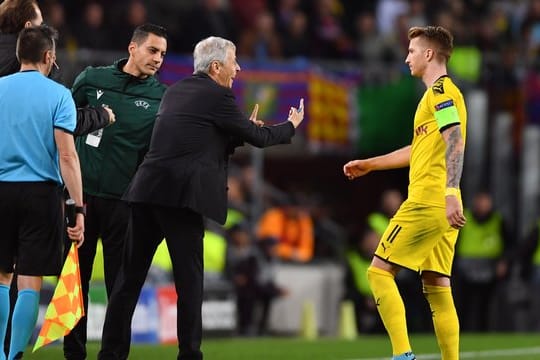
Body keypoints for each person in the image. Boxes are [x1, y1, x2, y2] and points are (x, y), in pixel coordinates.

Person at [98, 36, 304, 360]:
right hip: (180, 199)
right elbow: (260, 138)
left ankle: (110, 354)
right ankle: (189, 355)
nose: (238, 68)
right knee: (190, 284)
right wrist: (290, 125)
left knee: (128, 280)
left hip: (146, 192)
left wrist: (235, 133)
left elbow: (195, 141)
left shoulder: (175, 91)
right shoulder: (217, 96)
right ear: (216, 66)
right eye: (234, 61)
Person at [343, 25, 467, 360]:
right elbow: (418, 149)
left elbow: (454, 137)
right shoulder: (435, 96)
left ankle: (402, 356)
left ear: (429, 54)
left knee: (378, 272)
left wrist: (451, 190)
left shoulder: (441, 91)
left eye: (412, 51)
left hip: (429, 199)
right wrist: (370, 163)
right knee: (438, 287)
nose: (406, 57)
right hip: (441, 203)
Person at [64, 23, 168, 360]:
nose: (158, 59)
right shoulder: (92, 79)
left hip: (124, 203)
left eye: (163, 54)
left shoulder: (161, 97)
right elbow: (63, 122)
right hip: (81, 201)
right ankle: (73, 353)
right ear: (133, 48)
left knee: (120, 287)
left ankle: (114, 355)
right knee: (75, 281)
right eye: (153, 50)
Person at [0, 24, 84, 360]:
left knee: (2, 277)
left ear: (20, 53)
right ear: (49, 56)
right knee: (29, 281)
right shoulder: (59, 95)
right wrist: (78, 207)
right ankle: (14, 355)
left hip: (0, 190)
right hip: (40, 194)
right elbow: (67, 155)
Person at [0, 0, 115, 135]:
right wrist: (102, 115)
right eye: (41, 24)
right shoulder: (38, 62)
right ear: (28, 27)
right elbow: (65, 120)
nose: (44, 29)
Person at [454, 190, 509, 332]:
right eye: (480, 202)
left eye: (485, 202)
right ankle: (461, 331)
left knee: (486, 304)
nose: (482, 206)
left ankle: (484, 331)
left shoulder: (498, 220)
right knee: (463, 303)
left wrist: (504, 262)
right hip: (466, 269)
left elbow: (509, 244)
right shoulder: (463, 216)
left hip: (489, 268)